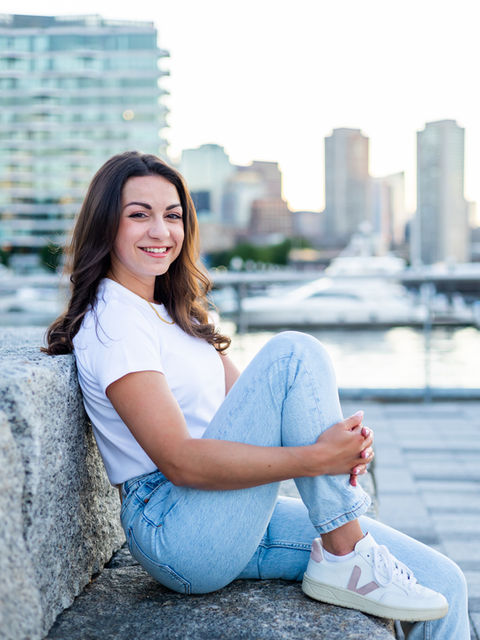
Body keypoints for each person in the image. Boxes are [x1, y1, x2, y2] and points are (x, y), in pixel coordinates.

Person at [44, 151, 469, 639]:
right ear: (106, 225)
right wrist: (315, 459)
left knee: (444, 583)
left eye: (173, 215)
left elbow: (265, 409)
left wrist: (337, 446)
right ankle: (350, 557)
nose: (160, 231)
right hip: (175, 526)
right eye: (139, 215)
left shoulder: (169, 313)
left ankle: (350, 553)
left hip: (227, 508)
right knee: (292, 353)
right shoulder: (114, 320)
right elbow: (179, 461)